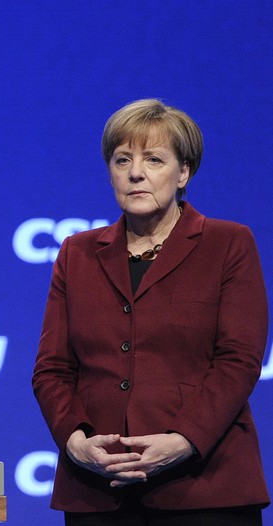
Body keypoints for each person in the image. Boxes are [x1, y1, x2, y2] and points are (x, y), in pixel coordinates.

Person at [32, 99, 269, 525]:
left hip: (204, 489)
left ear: (183, 173)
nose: (135, 172)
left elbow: (239, 360)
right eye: (122, 160)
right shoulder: (78, 252)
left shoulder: (227, 243)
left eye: (153, 159)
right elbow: (52, 368)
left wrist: (182, 440)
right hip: (98, 489)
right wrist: (75, 441)